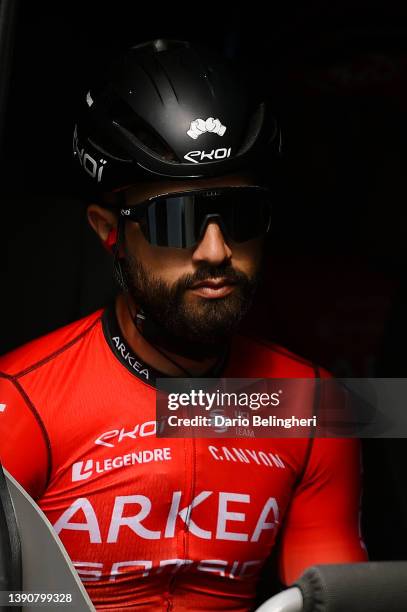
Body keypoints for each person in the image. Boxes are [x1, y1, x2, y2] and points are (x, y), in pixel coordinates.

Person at [0, 39, 367, 611]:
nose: (216, 251)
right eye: (177, 220)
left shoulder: (316, 404)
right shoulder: (20, 404)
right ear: (107, 230)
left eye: (239, 215)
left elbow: (340, 591)